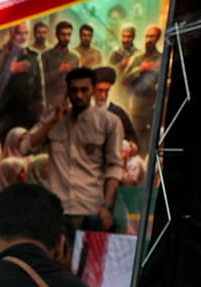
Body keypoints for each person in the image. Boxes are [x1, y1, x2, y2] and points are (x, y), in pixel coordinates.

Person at [23, 67, 123, 230]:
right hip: (56, 208)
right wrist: (53, 121)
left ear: (92, 91)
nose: (79, 95)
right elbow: (25, 147)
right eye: (74, 90)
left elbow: (114, 166)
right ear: (67, 91)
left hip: (89, 208)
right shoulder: (54, 119)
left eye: (84, 90)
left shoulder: (109, 122)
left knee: (85, 255)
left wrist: (107, 206)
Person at [0, 23, 44, 136]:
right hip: (1, 115)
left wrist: (37, 117)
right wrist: (10, 72)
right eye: (19, 33)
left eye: (26, 33)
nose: (23, 37)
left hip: (25, 119)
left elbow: (38, 91)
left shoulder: (32, 57)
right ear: (11, 33)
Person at [119, 25, 162, 154]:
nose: (149, 40)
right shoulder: (137, 58)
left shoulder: (161, 58)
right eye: (147, 36)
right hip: (136, 107)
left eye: (152, 36)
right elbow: (123, 79)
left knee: (149, 147)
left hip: (152, 109)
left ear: (158, 38)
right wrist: (140, 69)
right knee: (134, 145)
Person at [40, 22, 80, 116]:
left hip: (69, 104)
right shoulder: (46, 56)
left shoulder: (74, 57)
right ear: (57, 35)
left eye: (69, 34)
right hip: (50, 103)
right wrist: (59, 71)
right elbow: (40, 82)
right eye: (63, 34)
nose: (66, 38)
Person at [93, 66, 137, 150]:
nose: (103, 95)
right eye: (100, 91)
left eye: (106, 91)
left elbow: (131, 136)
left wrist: (132, 145)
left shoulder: (117, 112)